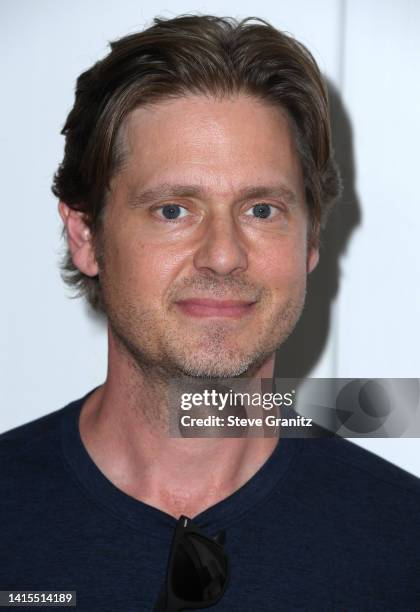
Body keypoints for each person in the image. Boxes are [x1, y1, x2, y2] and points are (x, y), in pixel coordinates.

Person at [1, 14, 419, 611]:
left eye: (263, 210)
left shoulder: (404, 546)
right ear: (86, 236)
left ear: (310, 242)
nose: (224, 256)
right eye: (173, 210)